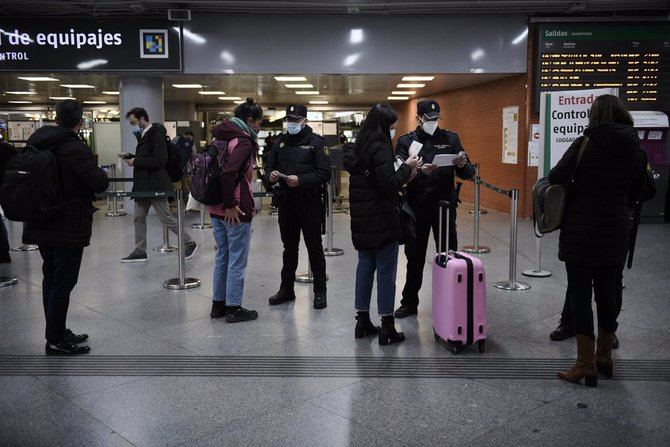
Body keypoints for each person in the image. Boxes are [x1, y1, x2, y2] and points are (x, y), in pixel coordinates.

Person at [551, 94, 647, 387]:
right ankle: (605, 356)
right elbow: (642, 190)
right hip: (616, 231)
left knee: (580, 296)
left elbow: (556, 176)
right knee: (608, 291)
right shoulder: (635, 149)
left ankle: (584, 364)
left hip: (581, 232)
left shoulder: (585, 144)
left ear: (595, 116)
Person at [21, 100, 109, 355]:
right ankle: (56, 340)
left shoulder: (37, 141)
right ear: (80, 122)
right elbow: (99, 182)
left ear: (56, 118)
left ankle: (56, 331)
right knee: (63, 281)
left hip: (41, 219)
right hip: (67, 223)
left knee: (51, 277)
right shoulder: (73, 147)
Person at [343, 103, 420, 345]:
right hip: (383, 219)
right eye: (392, 127)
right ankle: (387, 326)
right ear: (383, 126)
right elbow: (389, 184)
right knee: (386, 272)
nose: (393, 131)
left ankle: (362, 321)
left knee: (364, 268)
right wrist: (408, 168)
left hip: (362, 220)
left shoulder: (356, 149)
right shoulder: (380, 148)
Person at [395, 100, 475, 318]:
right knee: (415, 257)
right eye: (428, 119)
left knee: (449, 255)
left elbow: (468, 173)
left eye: (436, 119)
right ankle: (409, 303)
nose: (432, 122)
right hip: (416, 208)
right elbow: (398, 174)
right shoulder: (406, 141)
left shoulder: (450, 139)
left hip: (444, 207)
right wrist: (420, 172)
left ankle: (453, 300)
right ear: (418, 118)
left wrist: (462, 165)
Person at [264, 104, 331, 309]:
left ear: (304, 121)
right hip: (286, 203)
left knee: (314, 248)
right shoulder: (279, 142)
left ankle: (320, 291)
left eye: (295, 120)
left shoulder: (317, 143)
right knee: (289, 248)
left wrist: (301, 180)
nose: (291, 124)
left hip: (309, 203)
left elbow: (324, 173)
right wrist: (271, 176)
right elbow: (268, 167)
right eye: (289, 120)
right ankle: (286, 289)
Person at [208, 98, 263, 322]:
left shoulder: (220, 135)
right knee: (237, 260)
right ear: (249, 120)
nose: (259, 127)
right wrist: (231, 204)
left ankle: (218, 305)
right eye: (259, 122)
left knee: (223, 256)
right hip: (235, 210)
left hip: (214, 206)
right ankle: (233, 307)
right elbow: (229, 172)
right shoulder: (243, 141)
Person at [121, 107, 197, 263]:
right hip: (144, 185)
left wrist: (137, 161)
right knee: (138, 217)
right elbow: (147, 158)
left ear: (142, 119)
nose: (133, 126)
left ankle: (189, 242)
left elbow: (160, 160)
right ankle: (140, 251)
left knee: (166, 217)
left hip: (156, 184)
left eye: (134, 122)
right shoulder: (144, 135)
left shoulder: (156, 134)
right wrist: (132, 157)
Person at [0, 120, 17, 264]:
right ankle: (3, 253)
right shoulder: (8, 150)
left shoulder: (7, 150)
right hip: (8, 189)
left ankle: (3, 252)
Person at [173, 131, 195, 203]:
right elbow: (193, 157)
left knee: (176, 188)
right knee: (187, 188)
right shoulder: (191, 143)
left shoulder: (175, 139)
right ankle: (188, 205)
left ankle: (177, 205)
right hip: (186, 170)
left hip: (175, 169)